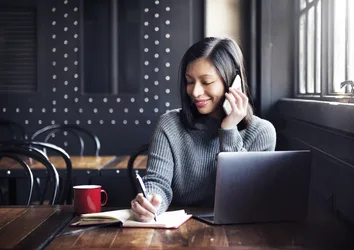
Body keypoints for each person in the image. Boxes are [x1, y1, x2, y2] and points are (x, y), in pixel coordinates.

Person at [130, 37, 276, 222]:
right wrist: (151, 202)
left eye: (206, 82)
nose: (195, 92)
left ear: (233, 82)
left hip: (238, 233)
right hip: (178, 232)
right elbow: (157, 182)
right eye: (190, 81)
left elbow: (245, 198)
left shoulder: (262, 132)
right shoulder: (169, 125)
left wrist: (229, 130)